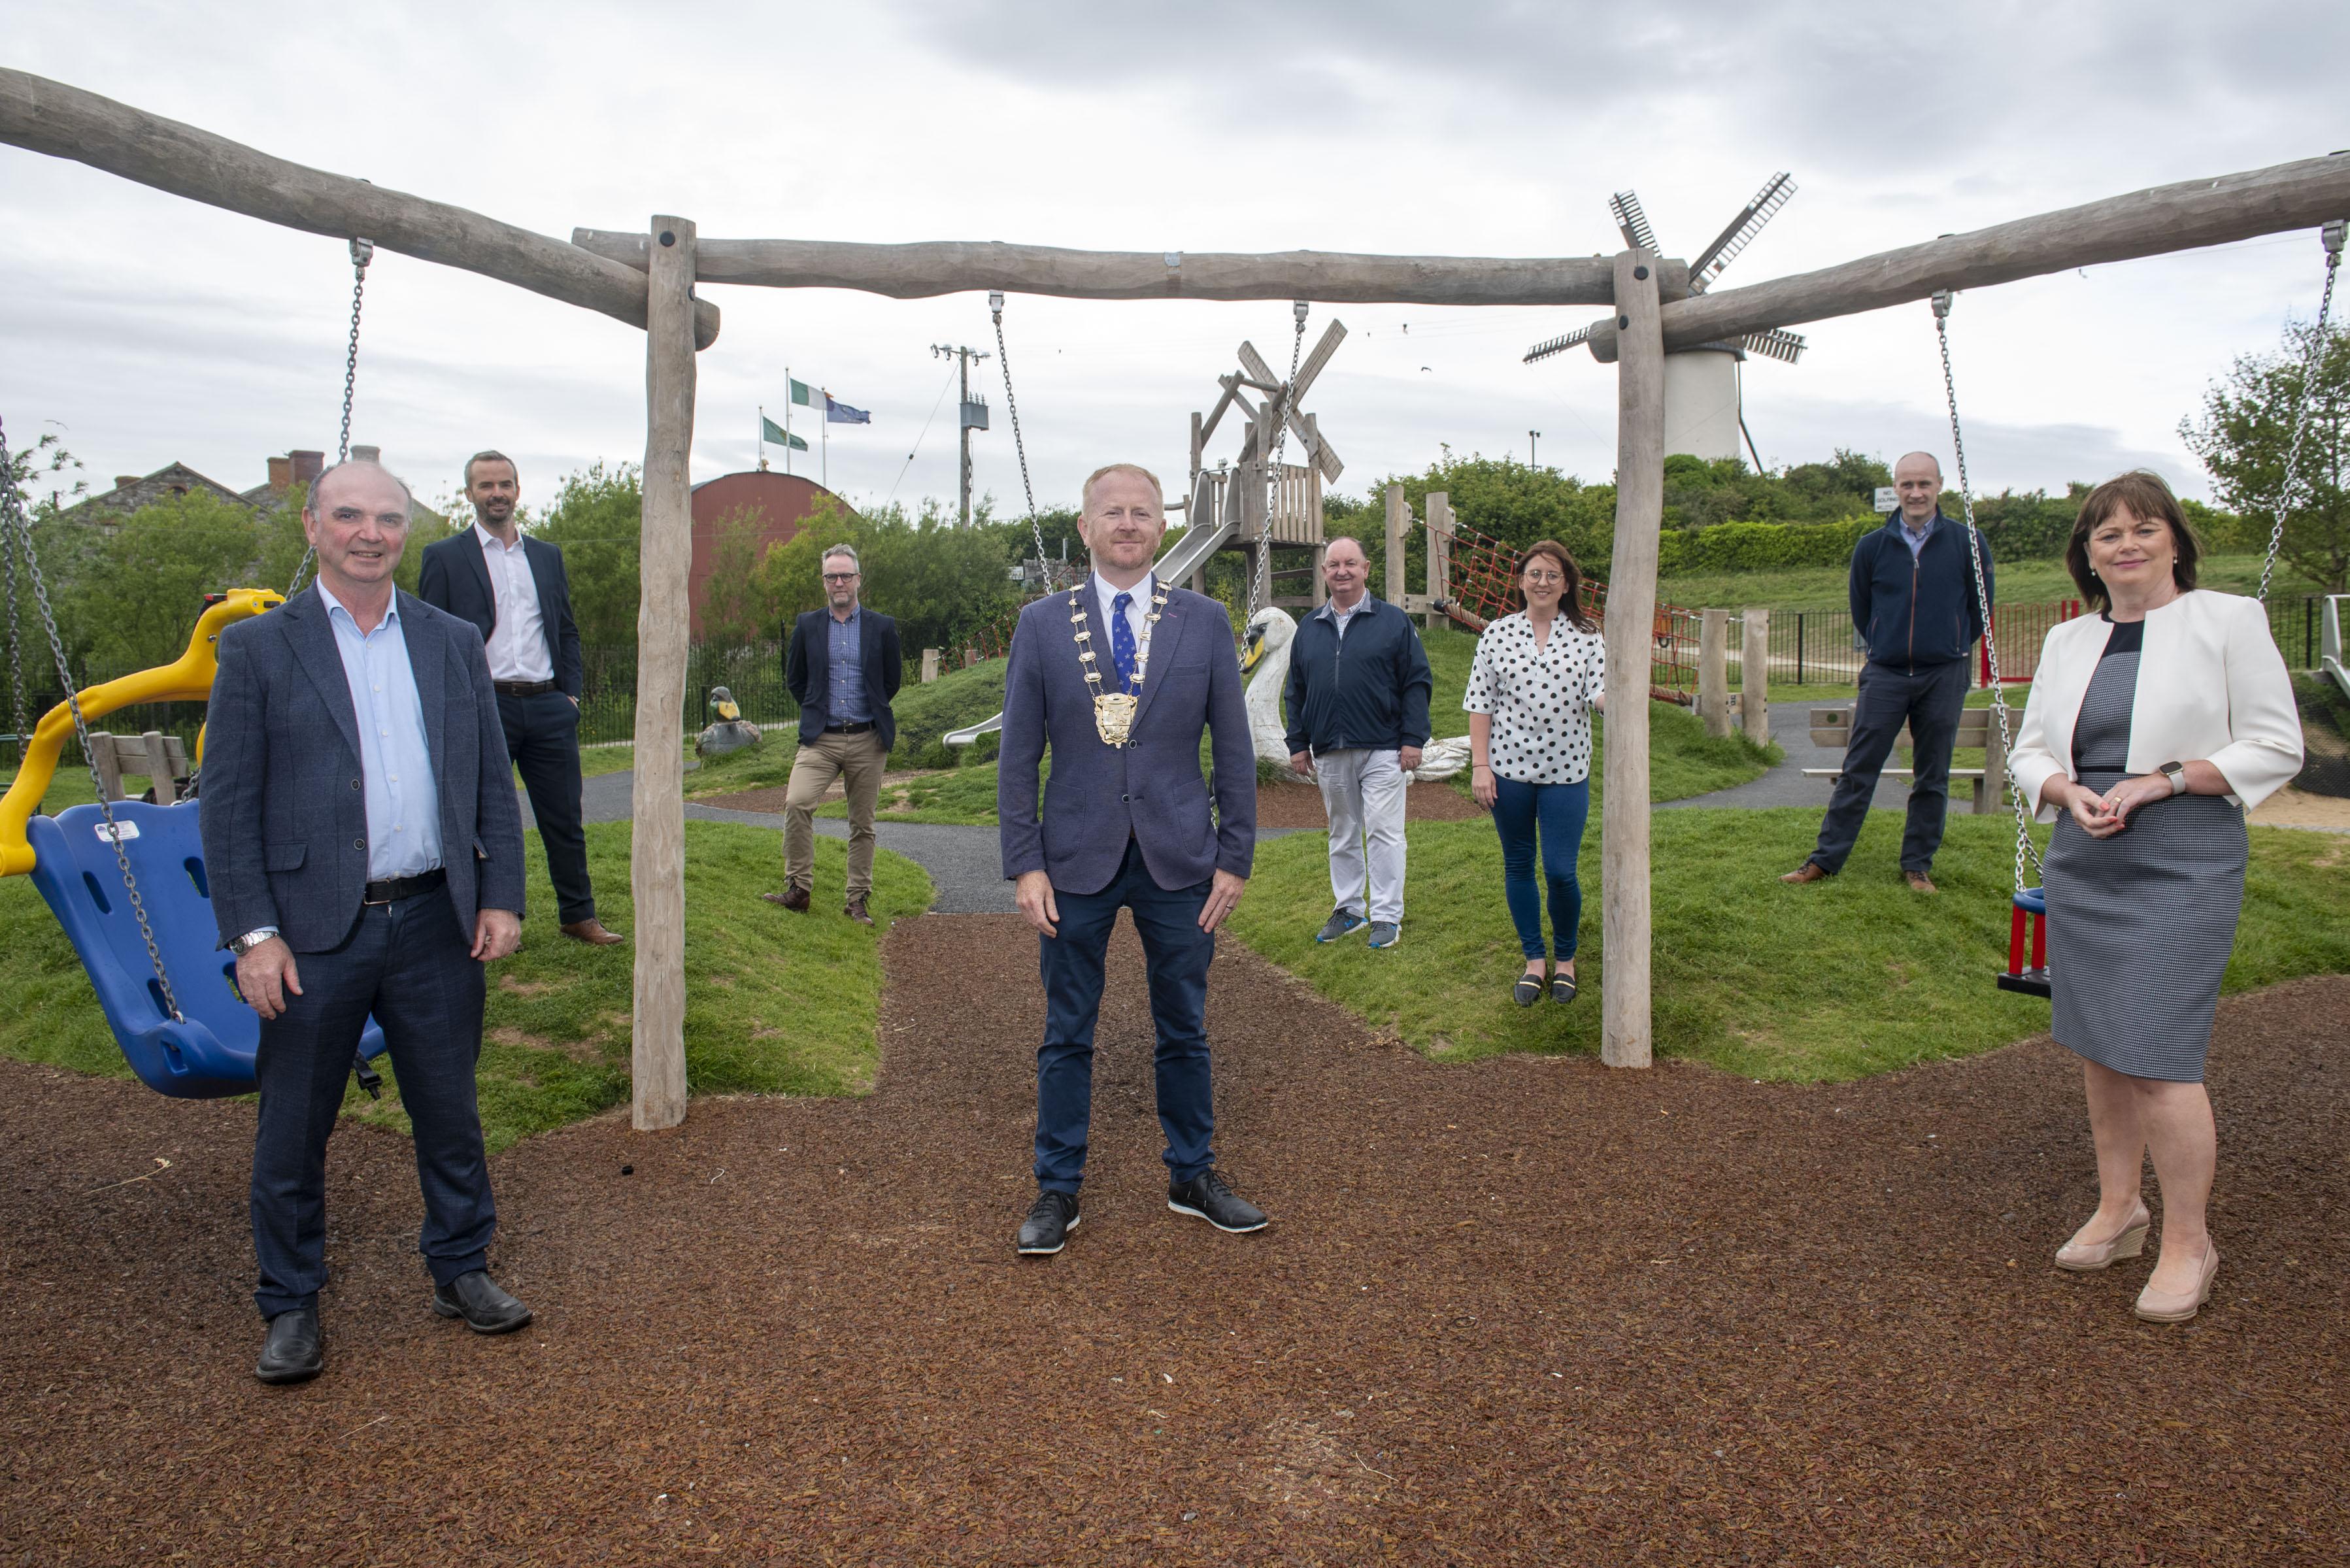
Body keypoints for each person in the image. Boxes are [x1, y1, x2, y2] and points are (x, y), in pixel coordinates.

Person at [200, 459, 533, 1386]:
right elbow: (227, 807)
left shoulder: (450, 638)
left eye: (387, 517)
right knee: (294, 1126)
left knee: (449, 1110)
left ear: (405, 531)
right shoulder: (260, 649)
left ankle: (460, 1267)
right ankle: (290, 1301)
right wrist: (252, 933)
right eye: (349, 515)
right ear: (312, 526)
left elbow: (487, 783)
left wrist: (499, 893)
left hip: (434, 916)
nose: (370, 532)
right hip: (309, 931)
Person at [2009, 471, 2300, 1324]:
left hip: (2183, 848)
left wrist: (2163, 779)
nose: (2126, 543)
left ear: (2173, 538)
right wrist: (2064, 790)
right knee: (2101, 1043)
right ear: (2087, 557)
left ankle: (2187, 1239)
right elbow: (2029, 749)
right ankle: (2117, 1206)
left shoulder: (2226, 621)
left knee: (2158, 1057)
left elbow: (2272, 743)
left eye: (2143, 528)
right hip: (2086, 848)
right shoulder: (2068, 643)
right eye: (2107, 534)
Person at [998, 463, 1263, 1256]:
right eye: (1110, 512)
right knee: (1065, 1030)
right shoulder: (1042, 623)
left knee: (1183, 1026)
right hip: (1073, 856)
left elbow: (1234, 745)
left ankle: (1192, 1173)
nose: (1126, 523)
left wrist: (1236, 856)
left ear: (1160, 526)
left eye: (1142, 512)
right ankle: (1057, 1187)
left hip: (1181, 855)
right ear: (1084, 527)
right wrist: (1024, 862)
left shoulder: (1206, 620)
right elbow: (1018, 755)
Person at [416, 450, 618, 944]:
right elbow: (426, 638)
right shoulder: (444, 556)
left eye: (505, 483)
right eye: (485, 485)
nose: (497, 493)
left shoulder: (546, 556)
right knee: (477, 819)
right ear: (470, 494)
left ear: (518, 490)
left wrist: (571, 694)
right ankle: (474, 919)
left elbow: (566, 629)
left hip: (548, 705)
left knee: (564, 818)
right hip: (484, 706)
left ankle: (578, 914)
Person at [1782, 452, 1992, 893]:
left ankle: (1917, 864)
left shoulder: (1967, 542)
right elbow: (1863, 608)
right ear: (1894, 488)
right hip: (1886, 672)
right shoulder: (1871, 547)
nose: (1915, 493)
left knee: (1931, 772)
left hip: (1944, 673)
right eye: (1906, 484)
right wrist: (1885, 643)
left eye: (1924, 484)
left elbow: (1980, 609)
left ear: (1939, 486)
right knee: (1859, 768)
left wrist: (1950, 644)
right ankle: (1823, 860)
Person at [1464, 540, 1605, 1007]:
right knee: (1519, 865)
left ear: (1566, 584)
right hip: (1508, 772)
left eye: (1552, 575)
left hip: (1566, 772)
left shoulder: (1587, 635)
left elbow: (1601, 691)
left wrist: (1616, 699)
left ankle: (1565, 960)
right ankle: (1535, 961)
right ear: (1521, 580)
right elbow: (1480, 705)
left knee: (1561, 870)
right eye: (1534, 574)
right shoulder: (1497, 634)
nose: (1542, 582)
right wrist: (1480, 766)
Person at [1283, 536, 1434, 950]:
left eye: (1351, 563)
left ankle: (1387, 917)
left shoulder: (1393, 622)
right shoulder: (1309, 628)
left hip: (1384, 746)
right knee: (1342, 832)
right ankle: (1349, 909)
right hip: (1330, 748)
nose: (1342, 571)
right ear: (1324, 572)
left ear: (1366, 569)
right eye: (1334, 565)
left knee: (1384, 832)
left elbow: (1416, 681)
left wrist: (1413, 739)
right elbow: (1296, 690)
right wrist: (1298, 742)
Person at [769, 544, 903, 926]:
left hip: (868, 739)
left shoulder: (882, 626)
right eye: (832, 576)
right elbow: (795, 678)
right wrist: (814, 706)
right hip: (820, 740)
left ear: (859, 579)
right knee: (797, 803)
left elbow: (891, 681)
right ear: (824, 582)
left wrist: (871, 710)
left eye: (846, 575)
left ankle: (857, 899)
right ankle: (799, 889)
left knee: (863, 824)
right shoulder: (808, 625)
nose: (839, 582)